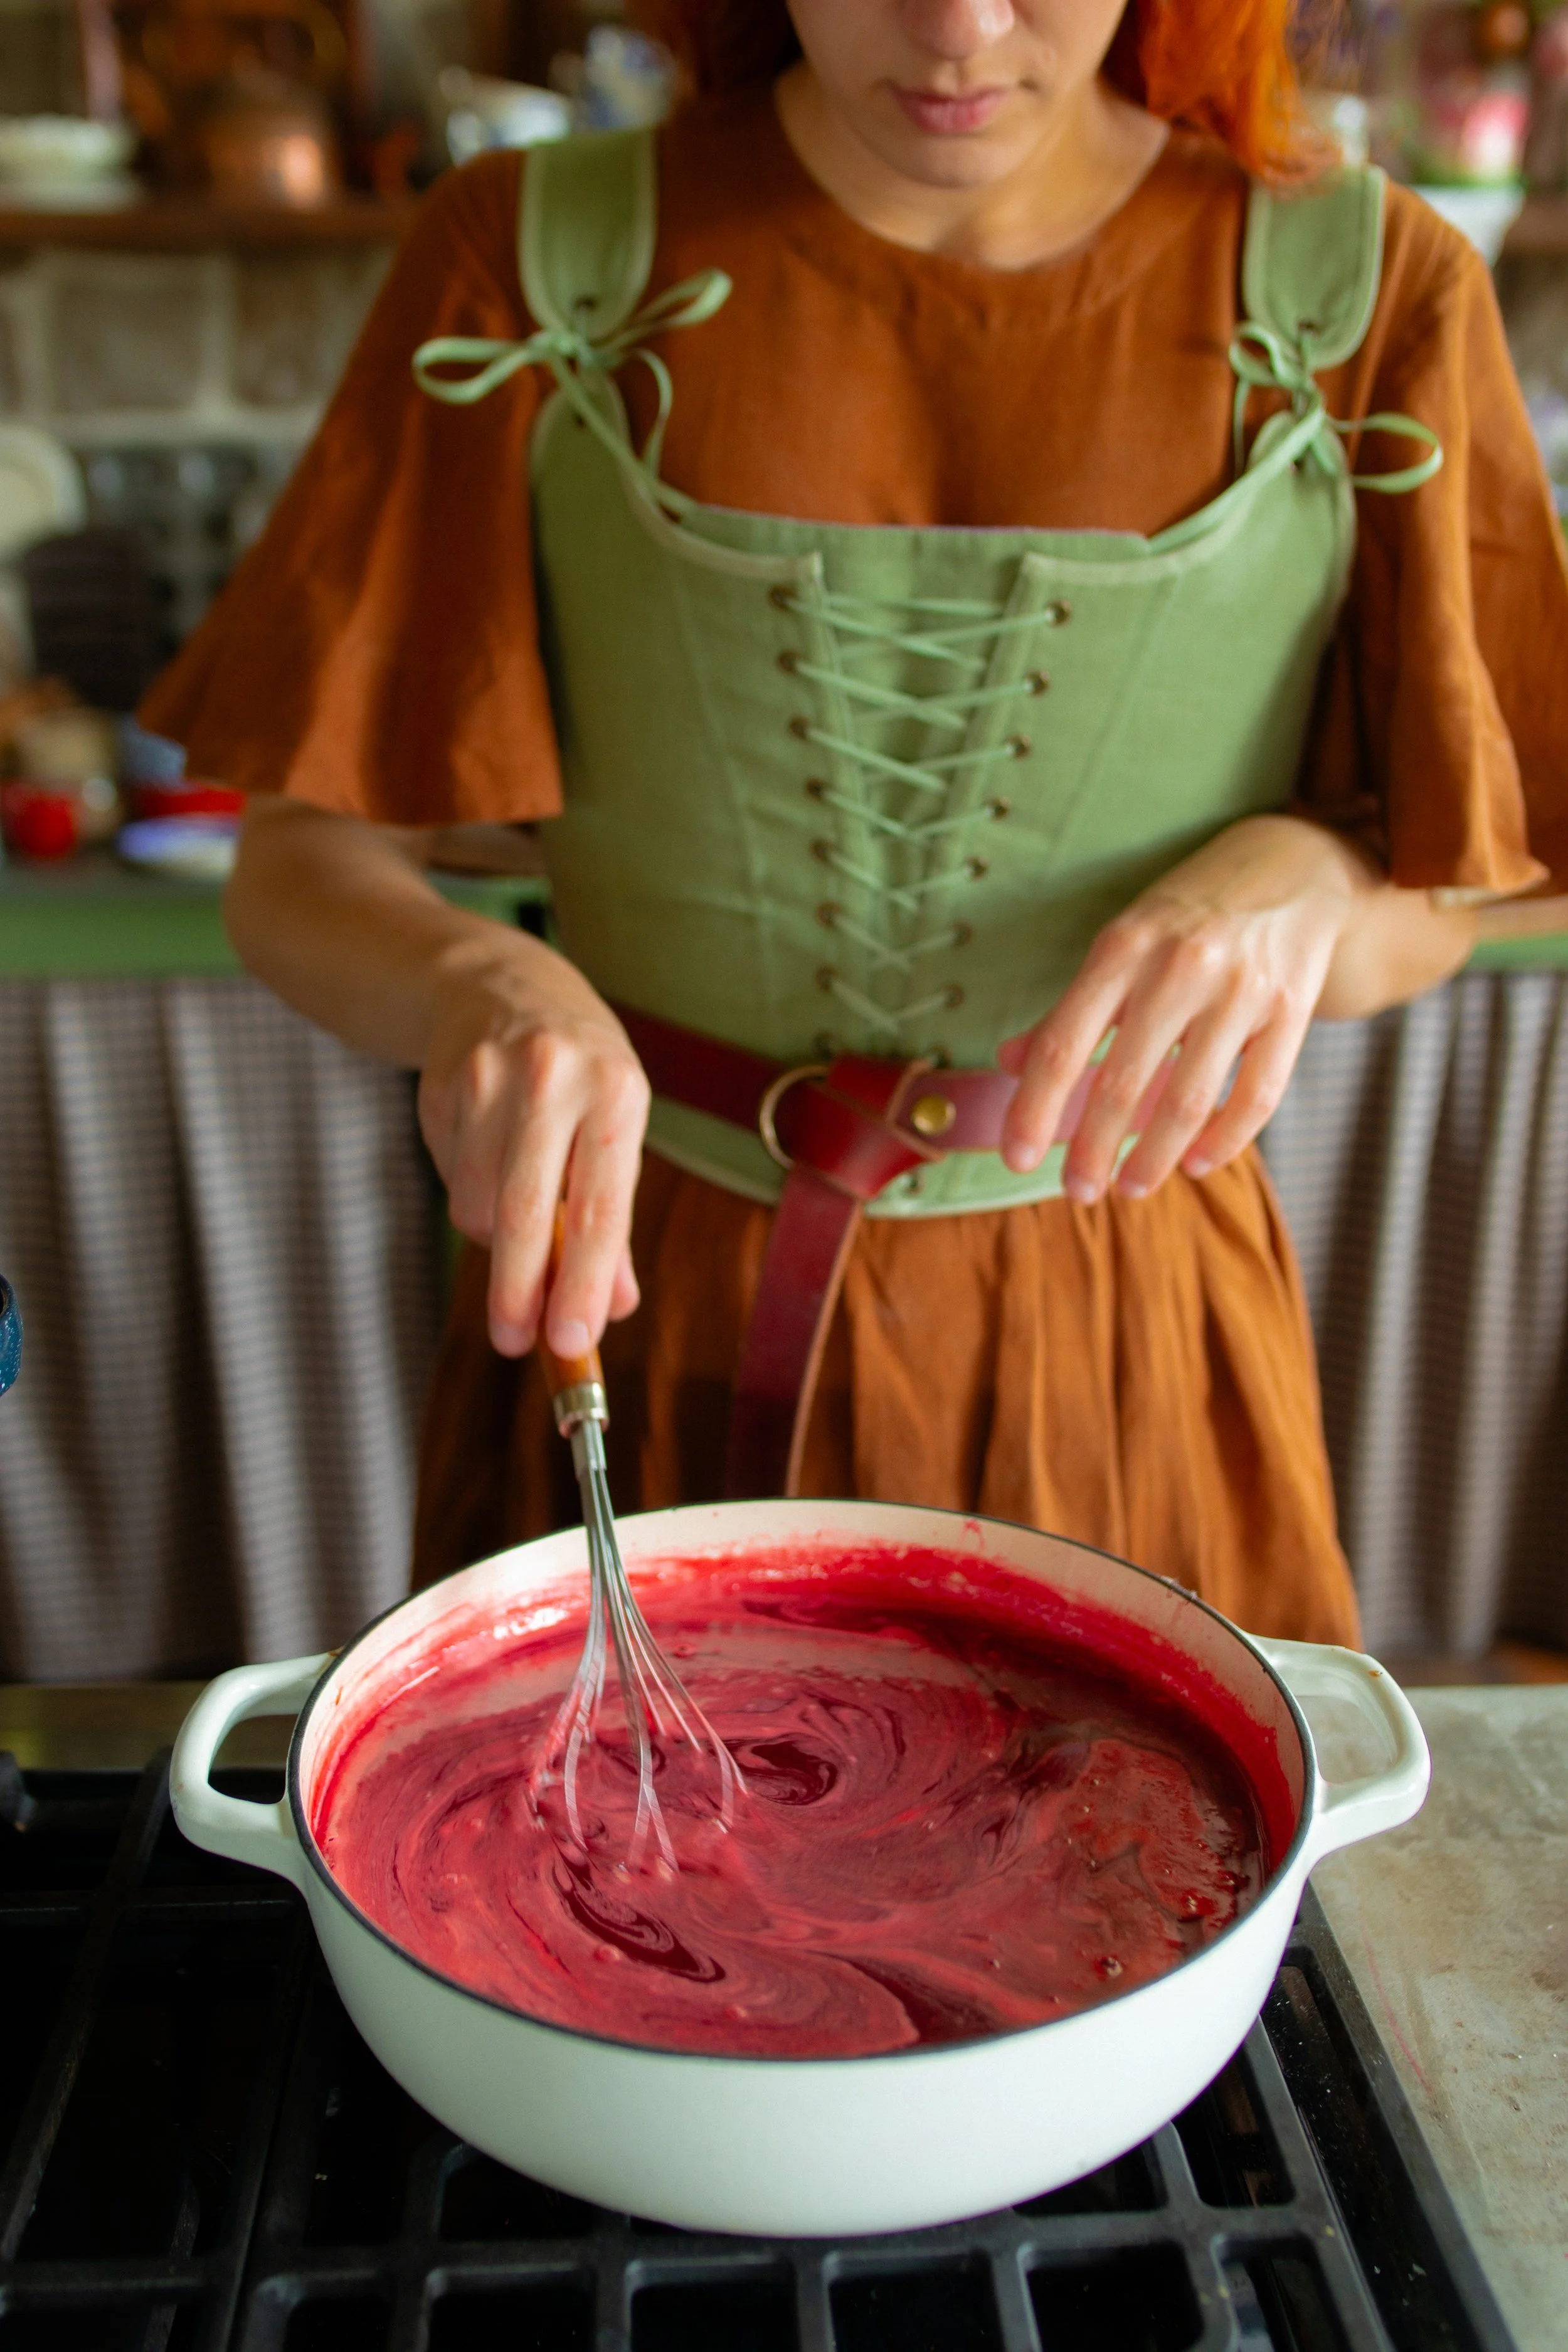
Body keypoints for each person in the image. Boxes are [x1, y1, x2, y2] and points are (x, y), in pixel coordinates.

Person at [142, 0, 1568, 1645]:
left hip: (1124, 1335)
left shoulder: (1369, 293)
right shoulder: (527, 260)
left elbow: (1465, 881)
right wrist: (483, 985)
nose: (957, 27)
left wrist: (1321, 875)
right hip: (640, 1305)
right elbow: (300, 864)